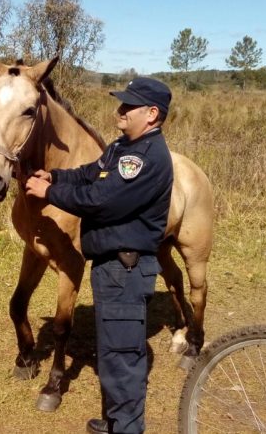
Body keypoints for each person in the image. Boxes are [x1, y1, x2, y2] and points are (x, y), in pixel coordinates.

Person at [25, 77, 174, 434]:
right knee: (110, 353)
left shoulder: (144, 158)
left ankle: (126, 428)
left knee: (122, 359)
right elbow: (90, 174)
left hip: (126, 269)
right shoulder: (123, 147)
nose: (120, 110)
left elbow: (100, 201)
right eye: (121, 103)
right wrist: (56, 176)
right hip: (111, 267)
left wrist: (49, 192)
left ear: (152, 114)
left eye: (129, 106)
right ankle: (115, 421)